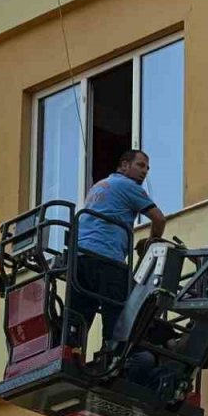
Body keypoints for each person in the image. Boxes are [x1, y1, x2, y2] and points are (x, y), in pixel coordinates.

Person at [70, 149, 166, 357]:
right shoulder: (128, 185)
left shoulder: (99, 186)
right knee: (117, 310)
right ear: (124, 165)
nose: (144, 172)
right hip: (106, 257)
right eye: (140, 165)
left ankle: (70, 353)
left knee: (79, 314)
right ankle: (111, 355)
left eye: (147, 168)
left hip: (80, 257)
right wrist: (152, 243)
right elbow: (159, 219)